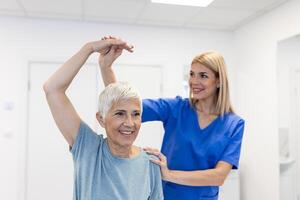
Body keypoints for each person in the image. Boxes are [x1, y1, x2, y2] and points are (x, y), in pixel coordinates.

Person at [99, 36, 245, 200]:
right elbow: (123, 101)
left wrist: (168, 174)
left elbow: (219, 176)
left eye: (203, 75)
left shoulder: (234, 124)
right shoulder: (176, 108)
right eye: (192, 74)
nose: (194, 81)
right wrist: (106, 67)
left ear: (218, 81)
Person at [43, 38, 163, 200]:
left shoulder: (151, 162)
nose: (129, 123)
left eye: (135, 114)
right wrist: (89, 48)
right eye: (120, 113)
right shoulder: (88, 148)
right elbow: (53, 89)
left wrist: (106, 67)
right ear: (101, 119)